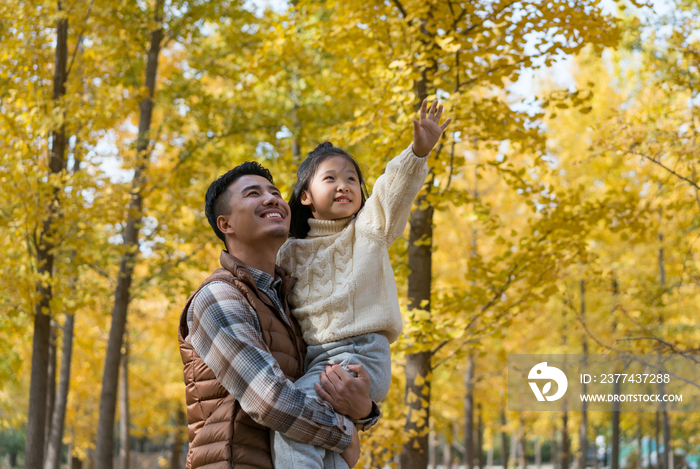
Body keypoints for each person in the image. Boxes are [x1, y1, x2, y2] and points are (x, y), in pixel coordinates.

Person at [273, 99, 451, 468]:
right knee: (331, 446)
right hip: (317, 362)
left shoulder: (369, 229)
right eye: (331, 178)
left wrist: (417, 152)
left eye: (352, 178)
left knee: (294, 422)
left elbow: (392, 190)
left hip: (359, 354)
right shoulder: (288, 254)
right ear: (305, 197)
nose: (344, 185)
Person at [178, 162, 381, 469]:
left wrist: (365, 410)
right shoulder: (218, 297)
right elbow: (269, 400)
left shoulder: (291, 302)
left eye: (274, 192)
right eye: (253, 193)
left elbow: (324, 390)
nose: (272, 198)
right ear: (226, 224)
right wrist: (345, 435)